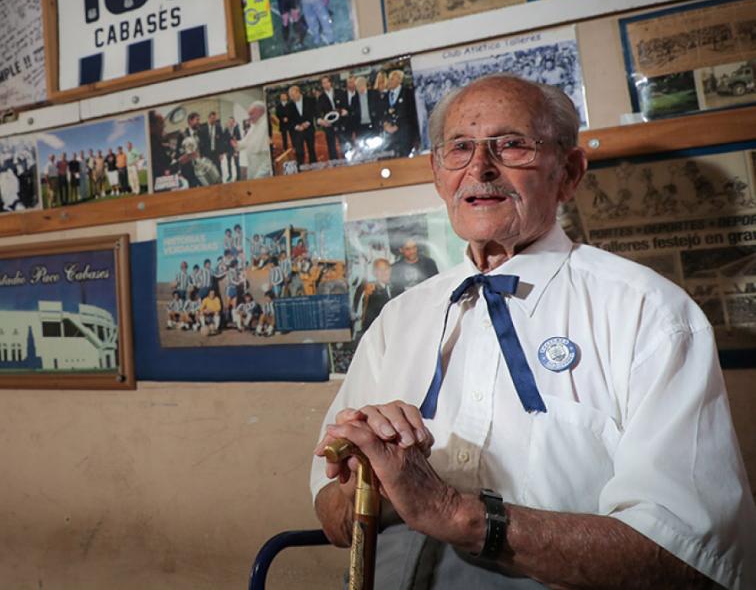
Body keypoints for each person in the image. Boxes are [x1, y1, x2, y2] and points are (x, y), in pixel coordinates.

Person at [311, 75, 755, 589]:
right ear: (438, 175)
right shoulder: (399, 318)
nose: (480, 168)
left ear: (567, 172)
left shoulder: (649, 313)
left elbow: (688, 555)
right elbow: (331, 516)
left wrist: (456, 514)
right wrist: (367, 477)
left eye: (512, 145)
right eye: (460, 148)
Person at [284, 85, 318, 166]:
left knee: (311, 149)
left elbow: (314, 112)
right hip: (297, 132)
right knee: (299, 151)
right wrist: (297, 126)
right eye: (290, 96)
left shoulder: (310, 100)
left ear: (298, 92)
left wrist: (308, 123)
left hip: (309, 129)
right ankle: (301, 168)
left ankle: (315, 167)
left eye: (293, 95)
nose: (291, 98)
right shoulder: (289, 105)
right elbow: (289, 120)